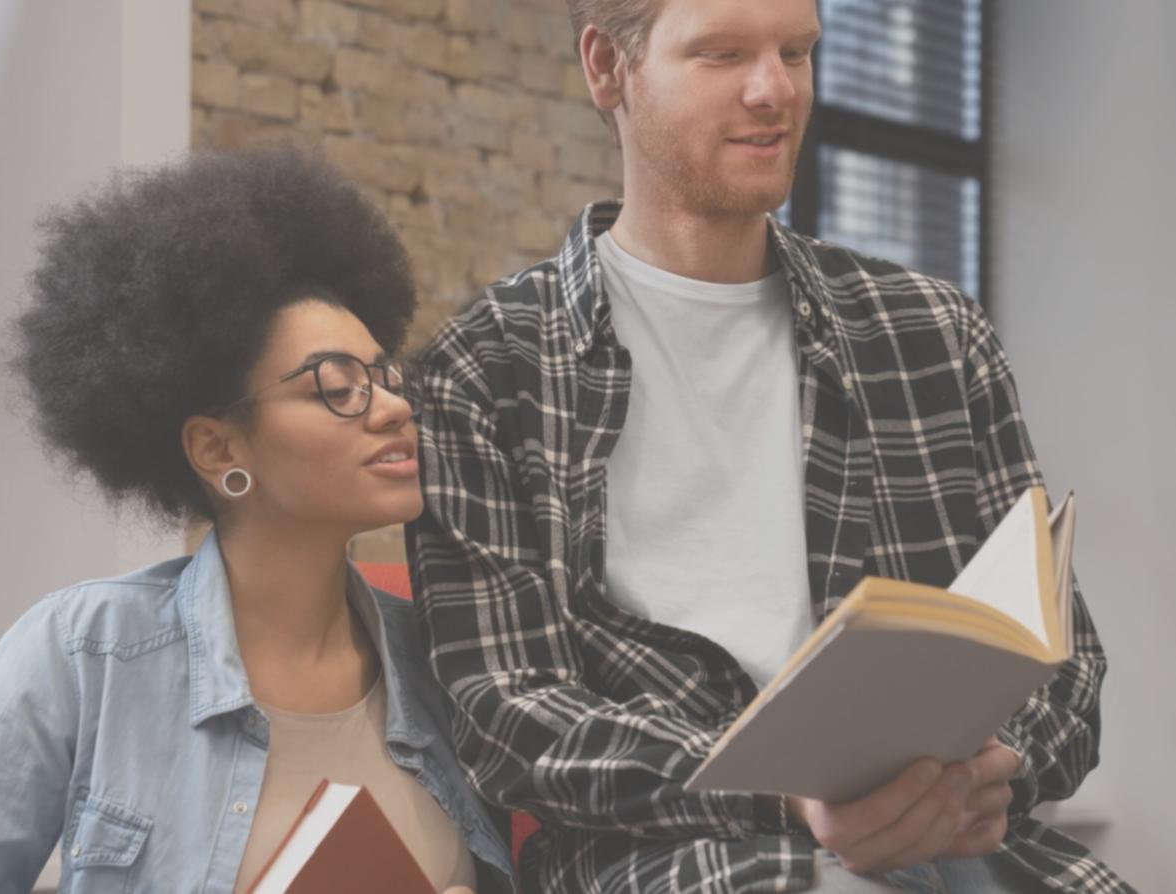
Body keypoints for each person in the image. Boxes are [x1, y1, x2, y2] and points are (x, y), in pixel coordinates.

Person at [406, 0, 1128, 891]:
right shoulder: (484, 371)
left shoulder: (933, 334)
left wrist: (991, 775)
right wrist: (783, 791)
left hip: (957, 847)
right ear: (606, 68)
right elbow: (505, 714)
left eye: (797, 52)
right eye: (720, 55)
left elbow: (1063, 661)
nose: (773, 89)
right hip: (671, 858)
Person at [0, 146, 511, 893]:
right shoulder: (86, 652)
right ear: (216, 446)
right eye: (336, 387)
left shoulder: (449, 661)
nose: (395, 407)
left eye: (387, 378)